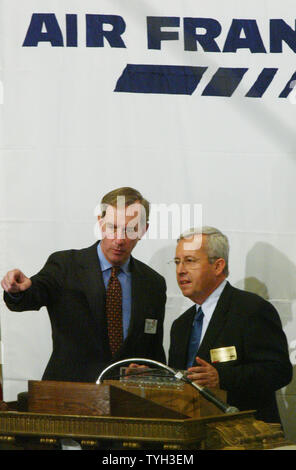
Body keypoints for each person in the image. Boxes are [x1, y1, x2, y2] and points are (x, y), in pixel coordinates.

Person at [1, 187, 166, 382]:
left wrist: (148, 373)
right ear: (100, 223)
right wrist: (18, 290)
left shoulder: (153, 283)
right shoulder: (65, 265)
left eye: (130, 230)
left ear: (143, 230)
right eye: (113, 227)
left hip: (126, 403)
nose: (120, 239)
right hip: (68, 397)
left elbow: (154, 354)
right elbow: (30, 295)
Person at [168, 226, 292, 423]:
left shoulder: (251, 310)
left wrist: (222, 379)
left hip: (244, 434)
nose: (180, 270)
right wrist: (149, 376)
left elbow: (278, 371)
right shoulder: (181, 325)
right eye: (177, 262)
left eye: (190, 261)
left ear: (218, 266)